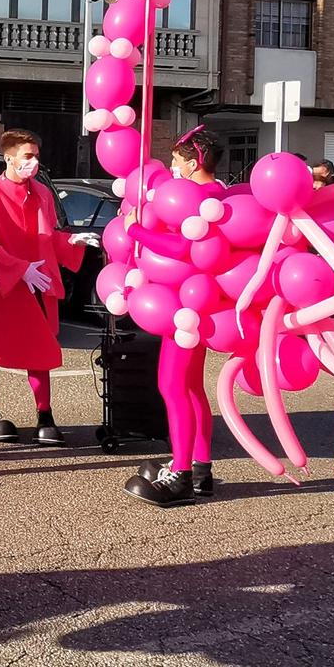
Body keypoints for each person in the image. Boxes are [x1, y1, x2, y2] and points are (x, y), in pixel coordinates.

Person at [0, 129, 81, 448]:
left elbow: (48, 236)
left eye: (35, 156)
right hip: (2, 285)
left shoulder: (42, 193)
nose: (33, 162)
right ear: (10, 158)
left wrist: (72, 241)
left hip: (38, 281)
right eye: (28, 156)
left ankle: (45, 415)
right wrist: (19, 269)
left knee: (40, 349)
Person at [127, 128, 221, 508]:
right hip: (192, 304)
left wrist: (136, 231)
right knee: (192, 388)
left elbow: (183, 246)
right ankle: (201, 470)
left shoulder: (202, 197)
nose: (170, 167)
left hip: (186, 306)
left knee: (173, 387)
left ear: (194, 163)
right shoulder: (217, 195)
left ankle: (181, 475)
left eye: (176, 161)